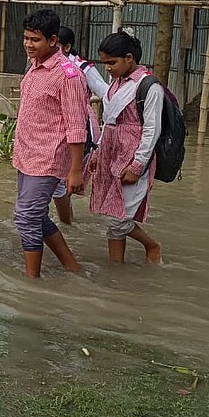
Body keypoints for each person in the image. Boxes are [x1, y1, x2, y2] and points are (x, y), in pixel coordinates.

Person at [12, 9, 88, 277]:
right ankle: (72, 267)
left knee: (26, 217)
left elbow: (77, 125)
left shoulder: (69, 76)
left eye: (35, 40)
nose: (29, 45)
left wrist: (76, 169)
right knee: (36, 215)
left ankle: (32, 281)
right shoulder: (33, 67)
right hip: (26, 153)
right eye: (26, 38)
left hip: (48, 158)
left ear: (53, 40)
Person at [89, 30, 164, 264]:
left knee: (117, 218)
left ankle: (151, 245)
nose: (108, 68)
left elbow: (152, 130)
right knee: (110, 213)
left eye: (112, 62)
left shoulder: (149, 87)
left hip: (132, 156)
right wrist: (98, 152)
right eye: (105, 63)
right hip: (111, 153)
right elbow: (109, 120)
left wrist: (137, 165)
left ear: (129, 58)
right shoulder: (115, 85)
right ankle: (116, 268)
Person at [51, 26, 108, 226]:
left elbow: (106, 95)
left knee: (64, 179)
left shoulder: (83, 68)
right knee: (57, 178)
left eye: (56, 45)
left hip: (79, 124)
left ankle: (67, 225)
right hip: (55, 126)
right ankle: (67, 222)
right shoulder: (44, 63)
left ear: (66, 47)